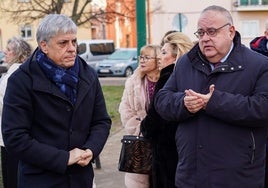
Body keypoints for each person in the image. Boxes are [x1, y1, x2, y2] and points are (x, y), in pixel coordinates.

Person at [154, 5, 268, 188]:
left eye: (212, 32)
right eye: (201, 33)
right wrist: (183, 104)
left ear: (231, 32)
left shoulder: (259, 65)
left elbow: (263, 108)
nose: (205, 38)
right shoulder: (185, 63)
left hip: (237, 177)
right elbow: (162, 100)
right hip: (191, 175)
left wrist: (214, 102)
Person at [1, 14, 111, 188]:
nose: (72, 48)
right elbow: (15, 138)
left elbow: (101, 121)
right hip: (40, 180)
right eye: (63, 43)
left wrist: (91, 149)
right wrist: (64, 158)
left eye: (74, 42)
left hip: (80, 178)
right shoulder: (22, 80)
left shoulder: (87, 75)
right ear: (44, 45)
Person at [140, 32, 193, 188]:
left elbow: (153, 121)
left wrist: (144, 126)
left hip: (167, 154)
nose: (159, 58)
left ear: (175, 57)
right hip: (187, 152)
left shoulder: (167, 78)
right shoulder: (192, 76)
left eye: (164, 53)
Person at [118, 44, 161, 188]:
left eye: (147, 57)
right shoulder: (133, 82)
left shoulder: (168, 79)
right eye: (141, 57)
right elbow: (125, 109)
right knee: (139, 181)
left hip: (162, 141)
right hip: (140, 140)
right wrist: (140, 127)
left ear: (158, 60)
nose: (142, 60)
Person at [0, 37, 32, 188]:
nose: (5, 53)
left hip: (10, 136)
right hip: (20, 135)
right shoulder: (25, 72)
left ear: (19, 54)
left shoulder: (13, 74)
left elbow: (6, 105)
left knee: (12, 177)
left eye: (9, 50)